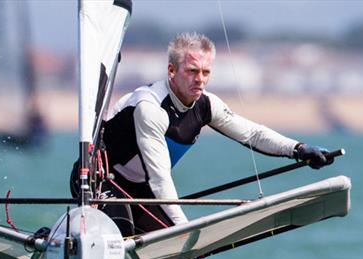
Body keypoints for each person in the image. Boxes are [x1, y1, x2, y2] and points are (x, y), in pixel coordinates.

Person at [70, 32, 334, 237]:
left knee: (164, 241)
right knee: (123, 232)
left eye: (206, 72)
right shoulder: (149, 107)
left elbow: (252, 133)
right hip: (97, 181)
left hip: (140, 190)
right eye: (192, 71)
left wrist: (298, 149)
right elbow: (160, 179)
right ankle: (63, 239)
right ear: (171, 71)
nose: (200, 79)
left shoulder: (207, 105)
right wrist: (185, 229)